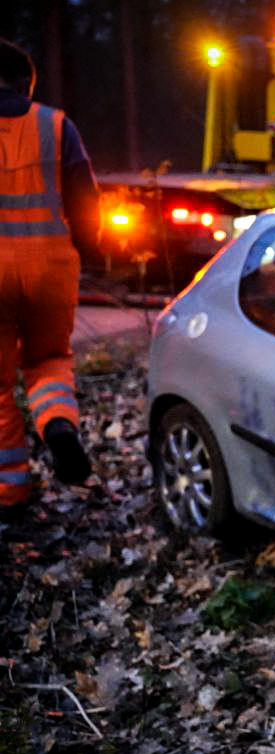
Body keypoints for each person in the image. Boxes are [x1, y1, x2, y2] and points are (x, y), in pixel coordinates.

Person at [0, 38, 99, 514]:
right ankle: (58, 423)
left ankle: (9, 491)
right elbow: (84, 200)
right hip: (50, 267)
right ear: (22, 82)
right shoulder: (56, 125)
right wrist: (92, 250)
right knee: (48, 361)